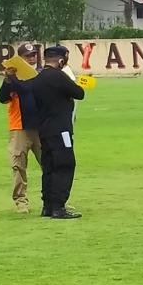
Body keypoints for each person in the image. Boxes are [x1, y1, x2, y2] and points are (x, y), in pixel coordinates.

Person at [33, 45, 85, 219]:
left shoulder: (38, 78)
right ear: (61, 59)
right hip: (61, 128)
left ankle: (47, 205)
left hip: (44, 129)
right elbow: (79, 93)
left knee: (48, 166)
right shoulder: (58, 76)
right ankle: (58, 206)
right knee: (65, 164)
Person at [0, 44, 42, 213]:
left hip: (40, 126)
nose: (31, 58)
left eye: (33, 55)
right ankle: (21, 200)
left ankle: (54, 198)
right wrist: (9, 79)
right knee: (18, 166)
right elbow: (2, 98)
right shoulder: (13, 78)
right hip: (20, 127)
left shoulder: (40, 76)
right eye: (28, 56)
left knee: (50, 163)